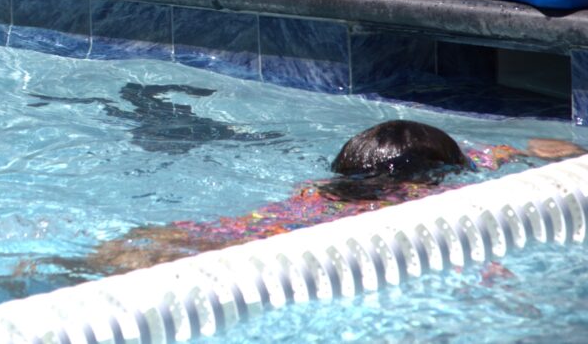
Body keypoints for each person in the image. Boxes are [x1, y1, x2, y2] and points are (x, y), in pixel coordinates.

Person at [81, 119, 582, 274]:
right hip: (293, 239)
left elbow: (487, 155)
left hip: (263, 223)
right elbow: (491, 157)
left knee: (173, 246)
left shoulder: (321, 191)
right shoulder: (410, 200)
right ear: (435, 177)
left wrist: (512, 152)